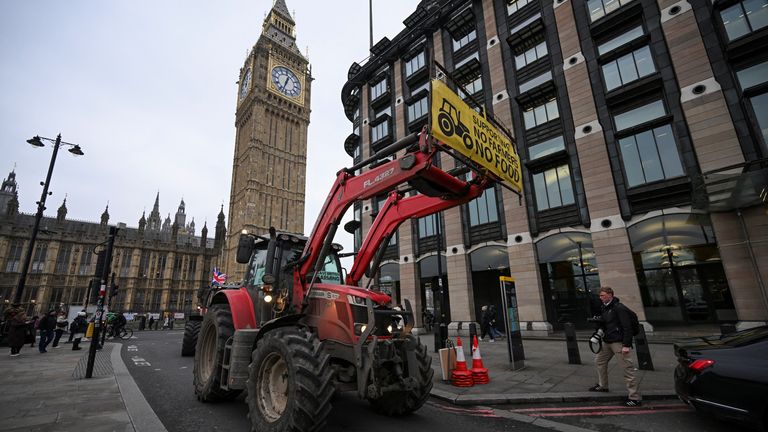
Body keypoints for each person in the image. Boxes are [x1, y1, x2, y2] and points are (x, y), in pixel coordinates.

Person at [588, 286, 642, 407]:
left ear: (610, 294)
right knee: (599, 361)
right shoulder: (604, 307)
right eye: (600, 296)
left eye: (602, 295)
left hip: (618, 342)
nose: (600, 298)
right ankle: (603, 385)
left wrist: (626, 345)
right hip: (607, 341)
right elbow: (606, 323)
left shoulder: (619, 308)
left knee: (627, 368)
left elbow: (627, 327)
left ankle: (634, 398)